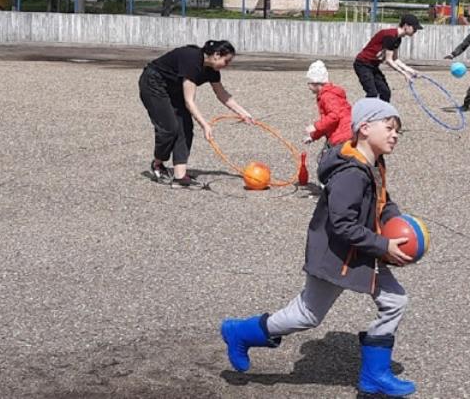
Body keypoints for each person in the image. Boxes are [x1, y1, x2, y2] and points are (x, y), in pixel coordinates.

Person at [220, 99, 417, 397]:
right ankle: (241, 332)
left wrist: (394, 221)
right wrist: (382, 243)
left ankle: (374, 374)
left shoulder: (374, 163)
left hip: (363, 252)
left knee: (395, 301)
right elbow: (343, 225)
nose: (395, 135)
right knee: (306, 316)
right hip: (335, 255)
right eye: (389, 128)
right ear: (364, 128)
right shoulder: (350, 174)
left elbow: (383, 201)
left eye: (397, 131)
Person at [138, 40, 254, 189]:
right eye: (227, 61)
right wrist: (205, 125)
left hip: (174, 88)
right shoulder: (193, 60)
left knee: (185, 127)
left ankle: (180, 177)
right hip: (153, 83)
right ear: (217, 55)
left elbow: (222, 94)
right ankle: (158, 163)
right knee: (170, 128)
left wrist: (244, 114)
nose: (227, 65)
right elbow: (189, 101)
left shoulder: (212, 70)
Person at [353, 14, 422, 103]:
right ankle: (365, 113)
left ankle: (383, 114)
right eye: (414, 28)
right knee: (372, 93)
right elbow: (388, 61)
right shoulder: (390, 36)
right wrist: (404, 74)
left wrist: (411, 71)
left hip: (373, 66)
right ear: (406, 26)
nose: (415, 31)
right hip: (362, 64)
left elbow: (395, 59)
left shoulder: (398, 39)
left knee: (385, 92)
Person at [302, 60, 352, 148]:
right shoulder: (328, 94)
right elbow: (328, 123)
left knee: (330, 160)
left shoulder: (327, 96)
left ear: (315, 82)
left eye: (308, 83)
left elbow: (334, 116)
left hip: (342, 137)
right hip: (343, 134)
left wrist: (315, 126)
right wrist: (313, 136)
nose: (308, 87)